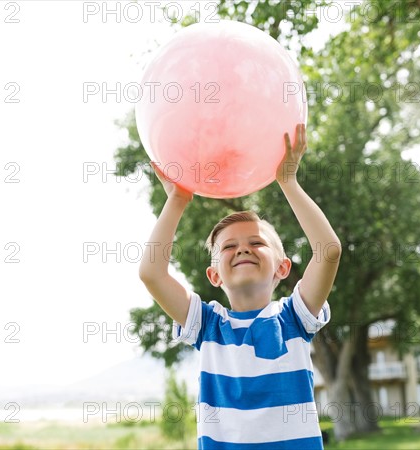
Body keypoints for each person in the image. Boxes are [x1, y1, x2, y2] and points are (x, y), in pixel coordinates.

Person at [138, 123, 341, 449]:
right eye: (229, 247)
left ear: (282, 267)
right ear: (214, 275)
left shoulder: (294, 318)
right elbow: (152, 274)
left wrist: (288, 182)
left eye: (256, 243)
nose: (243, 249)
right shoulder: (207, 325)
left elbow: (328, 251)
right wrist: (176, 201)